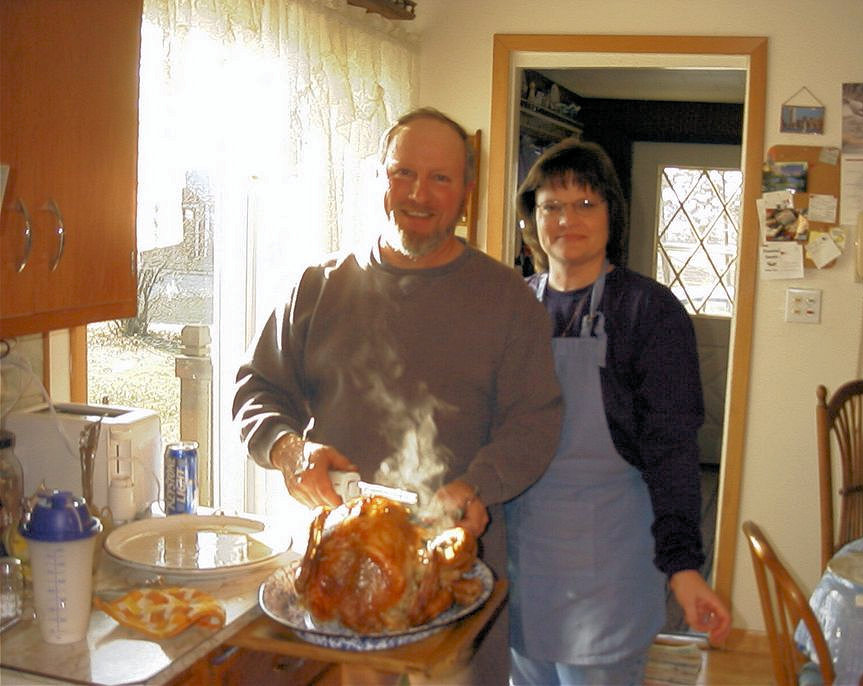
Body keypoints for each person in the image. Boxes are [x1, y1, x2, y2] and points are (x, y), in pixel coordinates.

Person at [232, 107, 563, 686]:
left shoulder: (507, 298)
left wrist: (476, 486)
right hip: (338, 585)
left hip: (452, 588)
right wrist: (290, 452)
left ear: (465, 191)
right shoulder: (318, 286)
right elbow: (256, 389)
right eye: (403, 173)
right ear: (380, 178)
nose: (419, 193)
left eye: (440, 178)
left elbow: (533, 423)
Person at [505, 138, 732, 685]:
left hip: (608, 559)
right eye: (551, 206)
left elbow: (672, 447)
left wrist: (682, 566)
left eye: (586, 203)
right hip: (525, 557)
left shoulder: (649, 312)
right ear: (531, 221)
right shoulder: (512, 308)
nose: (567, 219)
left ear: (612, 214)